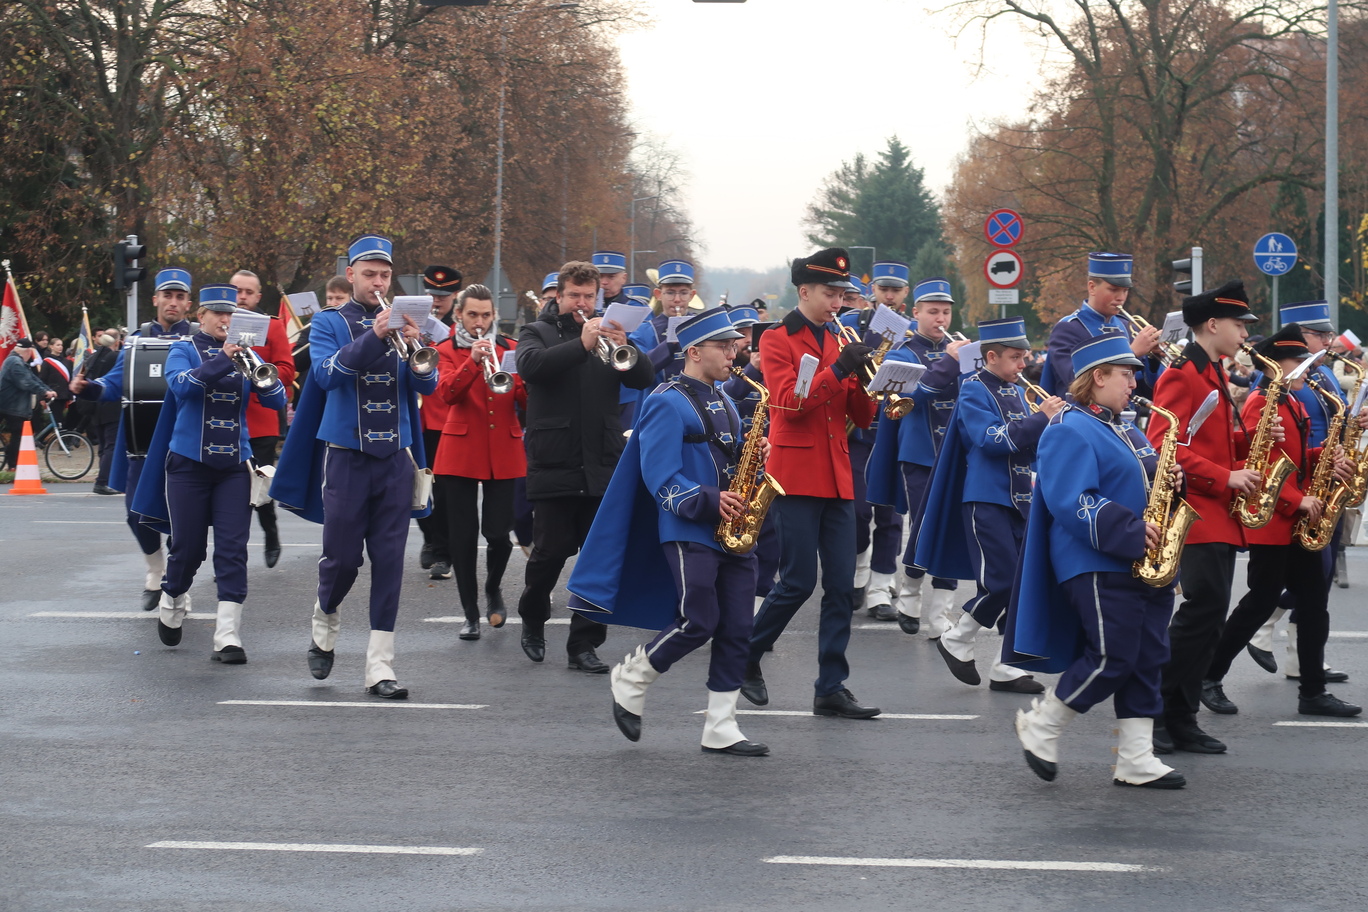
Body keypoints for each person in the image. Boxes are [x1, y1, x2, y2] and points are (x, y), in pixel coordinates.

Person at [567, 308, 770, 755]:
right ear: (694, 351)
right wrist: (710, 500)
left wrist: (756, 458)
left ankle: (721, 725)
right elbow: (660, 476)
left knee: (738, 626)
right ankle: (634, 675)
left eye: (735, 345)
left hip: (733, 527)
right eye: (724, 346)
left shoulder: (730, 402)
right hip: (688, 526)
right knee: (698, 620)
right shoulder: (665, 399)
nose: (734, 353)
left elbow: (732, 463)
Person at [1005, 333, 1186, 788]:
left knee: (1147, 657)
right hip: (1096, 560)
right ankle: (1042, 725)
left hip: (1144, 560)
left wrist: (1174, 481)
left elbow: (1148, 487)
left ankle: (1136, 758)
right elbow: (1072, 500)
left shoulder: (1130, 428)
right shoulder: (1068, 426)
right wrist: (1128, 529)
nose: (1134, 381)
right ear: (1097, 377)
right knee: (1113, 655)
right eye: (1125, 374)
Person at [271, 235, 437, 699]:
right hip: (345, 455)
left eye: (385, 275)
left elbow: (430, 381)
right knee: (343, 560)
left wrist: (419, 354)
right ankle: (325, 617)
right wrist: (376, 335)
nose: (378, 282)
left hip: (397, 459)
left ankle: (380, 667)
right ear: (352, 276)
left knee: (389, 563)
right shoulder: (329, 323)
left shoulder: (408, 321)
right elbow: (325, 376)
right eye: (370, 274)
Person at [740, 248, 881, 719]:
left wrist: (866, 382)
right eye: (829, 293)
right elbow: (788, 403)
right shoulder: (778, 339)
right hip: (796, 472)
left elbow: (860, 419)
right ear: (804, 292)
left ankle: (830, 686)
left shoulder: (842, 340)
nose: (837, 302)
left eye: (842, 294)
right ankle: (746, 653)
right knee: (798, 581)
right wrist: (838, 371)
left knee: (841, 585)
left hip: (838, 473)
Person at [1197, 324, 1360, 719]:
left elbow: (1298, 455)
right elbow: (1264, 464)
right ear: (1276, 365)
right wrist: (1296, 500)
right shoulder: (1260, 402)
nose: (1309, 367)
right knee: (1260, 601)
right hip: (1272, 519)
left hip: (1296, 518)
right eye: (1301, 361)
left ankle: (1313, 692)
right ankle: (1208, 676)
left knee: (1314, 603)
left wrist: (1330, 455)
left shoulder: (1295, 401)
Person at [129, 284, 288, 660]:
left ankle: (228, 636)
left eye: (231, 314)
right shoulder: (184, 349)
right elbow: (182, 387)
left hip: (234, 465)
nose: (225, 320)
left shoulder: (246, 354)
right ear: (201, 316)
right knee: (188, 549)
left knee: (233, 549)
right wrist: (223, 360)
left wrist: (262, 377)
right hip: (188, 465)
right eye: (218, 313)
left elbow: (278, 400)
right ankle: (171, 602)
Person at [514, 260, 656, 672]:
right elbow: (531, 368)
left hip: (602, 460)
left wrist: (623, 342)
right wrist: (582, 344)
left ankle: (584, 644)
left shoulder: (608, 338)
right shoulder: (535, 333)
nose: (581, 303)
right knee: (549, 553)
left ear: (599, 297)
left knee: (600, 557)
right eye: (574, 295)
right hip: (554, 459)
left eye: (588, 297)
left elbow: (642, 378)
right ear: (559, 296)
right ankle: (533, 616)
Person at [1143, 280, 1262, 755]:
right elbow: (1162, 445)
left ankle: (1182, 716)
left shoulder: (1212, 370)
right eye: (1238, 325)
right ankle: (1151, 708)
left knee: (1211, 617)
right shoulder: (1183, 373)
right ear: (1213, 325)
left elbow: (1210, 441)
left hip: (1216, 511)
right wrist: (1224, 476)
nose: (1244, 334)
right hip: (1196, 510)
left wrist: (1250, 438)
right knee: (1201, 611)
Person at [915, 317, 1062, 694]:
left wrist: (1052, 427)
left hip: (1020, 498)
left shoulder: (1014, 390)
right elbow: (991, 440)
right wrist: (1039, 419)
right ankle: (957, 638)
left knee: (1022, 582)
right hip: (986, 498)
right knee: (1002, 580)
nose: (1022, 365)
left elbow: (1025, 447)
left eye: (1024, 357)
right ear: (991, 357)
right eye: (1015, 358)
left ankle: (1006, 666)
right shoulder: (972, 389)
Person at [70, 268, 197, 611]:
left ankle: (178, 584)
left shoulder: (198, 341)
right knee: (135, 514)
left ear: (188, 303)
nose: (173, 302)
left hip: (185, 441)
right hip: (141, 444)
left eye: (180, 296)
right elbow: (114, 385)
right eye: (167, 296)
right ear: (155, 299)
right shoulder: (137, 343)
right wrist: (89, 388)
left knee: (182, 520)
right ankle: (155, 569)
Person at [1246, 300, 1361, 676]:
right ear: (1297, 336)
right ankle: (1261, 636)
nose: (1328, 341)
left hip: (1322, 479)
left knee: (1318, 578)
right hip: (1300, 486)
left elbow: (1333, 420)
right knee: (1307, 575)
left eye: (1329, 334)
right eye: (1319, 334)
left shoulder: (1321, 376)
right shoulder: (1281, 382)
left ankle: (1301, 660)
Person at [867, 277, 971, 638]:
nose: (940, 318)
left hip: (957, 455)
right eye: (932, 312)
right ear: (916, 314)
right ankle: (910, 591)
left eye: (945, 312)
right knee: (926, 527)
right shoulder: (901, 353)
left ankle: (941, 613)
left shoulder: (961, 349)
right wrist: (949, 364)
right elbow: (907, 399)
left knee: (953, 531)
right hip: (920, 455)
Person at [433, 284, 527, 640]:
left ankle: (493, 589)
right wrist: (472, 362)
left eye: (486, 315)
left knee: (499, 535)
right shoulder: (444, 350)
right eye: (473, 314)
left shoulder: (511, 349)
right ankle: (470, 613)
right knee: (462, 537)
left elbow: (526, 402)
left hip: (504, 449)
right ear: (459, 314)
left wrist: (524, 383)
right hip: (459, 451)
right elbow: (445, 394)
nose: (480, 322)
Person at [836, 277, 903, 620]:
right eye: (883, 290)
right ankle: (860, 570)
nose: (889, 296)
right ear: (872, 292)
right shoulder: (851, 323)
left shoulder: (911, 331)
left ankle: (880, 588)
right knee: (859, 511)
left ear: (906, 294)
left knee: (890, 517)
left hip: (893, 433)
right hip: (858, 433)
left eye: (897, 290)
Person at [229, 270, 297, 568]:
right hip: (225, 419)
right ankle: (232, 555)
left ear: (258, 296)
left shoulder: (272, 326)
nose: (241, 297)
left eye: (247, 292)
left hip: (260, 420)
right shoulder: (219, 323)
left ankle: (270, 531)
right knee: (232, 493)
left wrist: (259, 371)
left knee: (259, 484)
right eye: (236, 291)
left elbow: (287, 369)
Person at [1041, 252, 1163, 395]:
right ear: (1092, 287)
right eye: (1113, 290)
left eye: (1125, 291)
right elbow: (1075, 381)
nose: (1121, 298)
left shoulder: (1127, 327)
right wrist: (1132, 353)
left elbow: (1145, 390)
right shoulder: (1069, 328)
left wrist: (1153, 358)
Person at [416, 264, 464, 579]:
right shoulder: (412, 322)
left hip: (444, 417)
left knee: (445, 491)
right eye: (432, 293)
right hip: (416, 417)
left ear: (455, 296)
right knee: (416, 485)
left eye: (443, 295)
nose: (437, 300)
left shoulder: (461, 327)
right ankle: (430, 537)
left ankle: (444, 552)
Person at [2, 339, 55, 470]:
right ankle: (12, 466)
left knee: (18, 434)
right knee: (18, 434)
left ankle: (12, 461)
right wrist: (44, 391)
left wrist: (47, 389)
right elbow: (25, 382)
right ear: (27, 351)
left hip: (10, 404)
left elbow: (33, 378)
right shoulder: (15, 363)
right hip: (10, 405)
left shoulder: (17, 361)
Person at [82, 330, 123, 494]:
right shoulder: (114, 357)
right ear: (117, 341)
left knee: (103, 447)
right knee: (111, 446)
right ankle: (103, 482)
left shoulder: (93, 357)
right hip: (112, 406)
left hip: (96, 407)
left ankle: (103, 479)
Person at [37, 338, 73, 428]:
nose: (60, 347)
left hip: (65, 394)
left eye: (61, 345)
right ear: (51, 346)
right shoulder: (47, 362)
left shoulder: (67, 362)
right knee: (58, 420)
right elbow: (42, 379)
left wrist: (71, 395)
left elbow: (70, 379)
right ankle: (61, 439)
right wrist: (41, 397)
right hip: (53, 395)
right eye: (58, 345)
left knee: (61, 420)